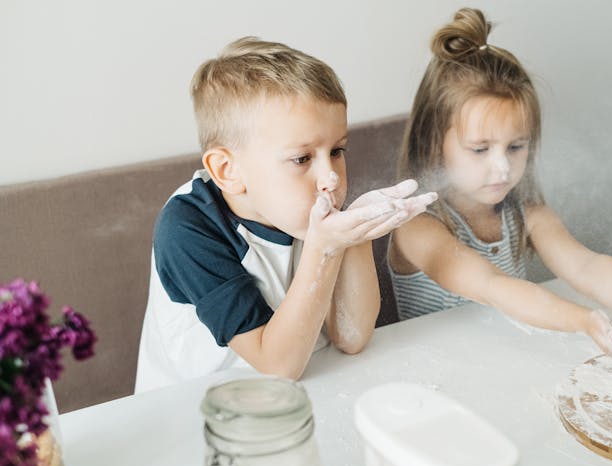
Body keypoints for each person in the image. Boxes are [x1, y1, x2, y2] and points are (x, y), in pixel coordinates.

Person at [388, 8, 612, 360]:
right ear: (432, 143)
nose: (502, 166)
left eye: (516, 146)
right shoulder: (416, 226)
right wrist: (585, 320)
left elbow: (585, 265)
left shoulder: (527, 214)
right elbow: (492, 286)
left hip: (507, 366)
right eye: (480, 149)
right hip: (434, 386)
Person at [135, 36, 437, 392]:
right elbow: (277, 366)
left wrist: (355, 236)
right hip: (197, 415)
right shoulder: (187, 229)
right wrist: (324, 248)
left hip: (300, 395)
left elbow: (352, 337)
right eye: (302, 158)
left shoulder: (311, 199)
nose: (330, 177)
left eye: (337, 150)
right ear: (228, 171)